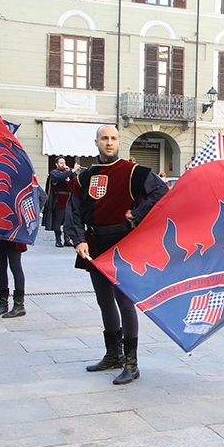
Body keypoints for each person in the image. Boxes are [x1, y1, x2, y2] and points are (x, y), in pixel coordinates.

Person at [65, 125, 166, 385]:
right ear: (96, 142)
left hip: (123, 243)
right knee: (103, 300)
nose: (109, 143)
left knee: (124, 301)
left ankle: (131, 363)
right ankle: (113, 355)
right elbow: (73, 211)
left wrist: (138, 211)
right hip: (94, 243)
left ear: (118, 142)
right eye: (104, 139)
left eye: (113, 138)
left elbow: (162, 193)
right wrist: (77, 240)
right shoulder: (84, 177)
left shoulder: (134, 172)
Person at [0, 237, 29, 318]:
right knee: (1, 268)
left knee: (15, 267)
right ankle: (2, 303)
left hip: (14, 235)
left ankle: (19, 306)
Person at [45, 156, 76, 247]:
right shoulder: (54, 173)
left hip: (69, 199)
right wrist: (70, 171)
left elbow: (75, 179)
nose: (63, 164)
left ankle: (67, 239)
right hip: (59, 199)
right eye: (61, 163)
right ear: (56, 164)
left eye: (64, 162)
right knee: (58, 221)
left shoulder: (67, 173)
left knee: (68, 220)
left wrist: (71, 172)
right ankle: (58, 240)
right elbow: (58, 177)